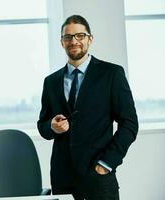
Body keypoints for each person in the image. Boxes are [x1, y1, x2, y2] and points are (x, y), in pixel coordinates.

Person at [37, 15, 138, 200]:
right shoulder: (51, 82)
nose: (74, 41)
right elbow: (42, 126)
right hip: (63, 178)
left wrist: (107, 163)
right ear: (62, 42)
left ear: (90, 39)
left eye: (80, 36)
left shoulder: (112, 74)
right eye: (68, 37)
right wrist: (51, 126)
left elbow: (130, 124)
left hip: (99, 177)